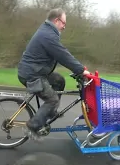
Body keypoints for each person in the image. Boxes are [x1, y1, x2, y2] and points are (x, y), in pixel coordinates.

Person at [17, 8, 90, 140]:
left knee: (59, 80)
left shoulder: (47, 31)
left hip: (35, 70)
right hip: (32, 74)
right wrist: (80, 70)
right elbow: (62, 55)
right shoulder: (48, 35)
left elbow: (60, 54)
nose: (64, 27)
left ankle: (50, 112)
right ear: (56, 20)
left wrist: (77, 69)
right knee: (52, 99)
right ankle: (32, 127)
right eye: (63, 23)